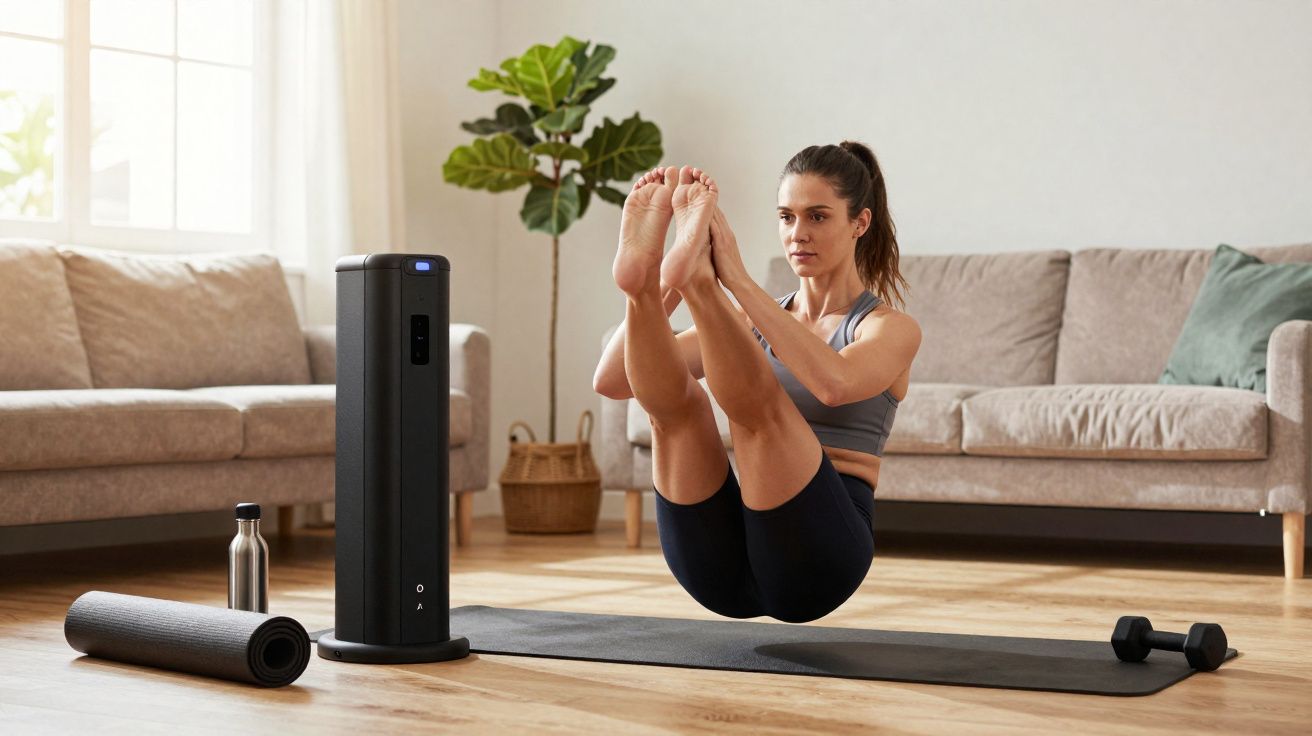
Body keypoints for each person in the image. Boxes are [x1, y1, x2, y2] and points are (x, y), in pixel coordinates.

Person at [593, 141, 921, 623]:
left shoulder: (889, 328)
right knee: (676, 411)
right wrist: (656, 289)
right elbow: (613, 379)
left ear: (860, 223)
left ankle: (699, 285)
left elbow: (834, 384)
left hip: (820, 560)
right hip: (722, 562)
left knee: (759, 413)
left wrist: (734, 280)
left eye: (817, 217)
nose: (798, 234)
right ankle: (649, 288)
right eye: (786, 217)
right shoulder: (747, 324)